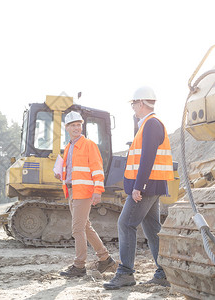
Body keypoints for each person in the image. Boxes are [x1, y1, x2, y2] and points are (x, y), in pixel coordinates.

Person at [103, 86, 174, 289]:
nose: (133, 107)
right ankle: (164, 272)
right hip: (152, 185)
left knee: (126, 224)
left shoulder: (151, 125)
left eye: (133, 103)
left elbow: (147, 159)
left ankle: (125, 272)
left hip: (147, 186)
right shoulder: (147, 124)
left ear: (141, 103)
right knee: (152, 229)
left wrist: (139, 186)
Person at [55, 111, 115, 277]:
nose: (76, 128)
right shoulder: (68, 147)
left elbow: (97, 170)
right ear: (66, 128)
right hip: (72, 190)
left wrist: (98, 191)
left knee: (77, 229)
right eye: (73, 125)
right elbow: (71, 170)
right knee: (86, 227)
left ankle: (79, 265)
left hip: (84, 192)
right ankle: (105, 259)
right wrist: (60, 174)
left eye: (78, 125)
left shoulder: (89, 145)